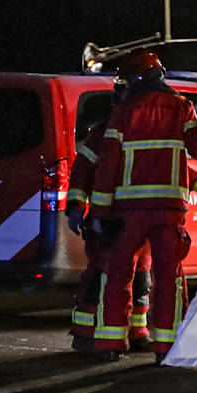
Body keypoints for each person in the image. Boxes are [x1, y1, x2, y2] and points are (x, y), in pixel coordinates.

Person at [86, 50, 197, 363]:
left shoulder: (124, 112)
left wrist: (100, 214)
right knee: (170, 277)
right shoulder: (181, 107)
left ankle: (110, 343)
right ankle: (167, 347)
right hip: (169, 211)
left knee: (118, 274)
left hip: (128, 212)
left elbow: (108, 166)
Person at [66, 78, 151, 353]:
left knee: (140, 279)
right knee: (100, 278)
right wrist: (76, 207)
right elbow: (81, 174)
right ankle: (86, 334)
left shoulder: (146, 132)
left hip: (136, 219)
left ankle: (136, 331)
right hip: (108, 221)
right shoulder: (102, 135)